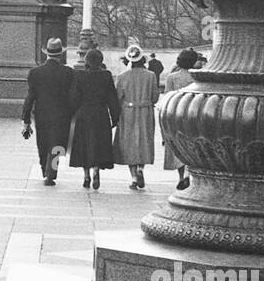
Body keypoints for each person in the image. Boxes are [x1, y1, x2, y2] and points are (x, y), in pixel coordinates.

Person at [22, 37, 75, 186]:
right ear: (61, 54)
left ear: (47, 54)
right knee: (57, 143)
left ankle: (44, 170)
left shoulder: (35, 72)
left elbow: (30, 97)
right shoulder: (68, 72)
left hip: (42, 114)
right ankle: (51, 172)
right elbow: (73, 96)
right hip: (62, 114)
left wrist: (25, 119)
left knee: (43, 142)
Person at [68, 48, 118, 190]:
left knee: (84, 144)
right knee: (99, 143)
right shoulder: (106, 76)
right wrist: (115, 117)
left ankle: (86, 175)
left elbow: (74, 98)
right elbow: (112, 98)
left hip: (84, 114)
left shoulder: (79, 76)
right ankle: (96, 169)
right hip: (101, 113)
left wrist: (72, 114)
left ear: (87, 61)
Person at [114, 45, 160, 190]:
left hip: (128, 111)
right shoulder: (151, 75)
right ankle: (141, 168)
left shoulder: (122, 77)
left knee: (129, 143)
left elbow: (117, 97)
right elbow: (155, 97)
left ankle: (134, 177)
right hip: (145, 111)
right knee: (145, 140)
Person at [163, 48, 198, 190]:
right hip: (193, 114)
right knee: (191, 144)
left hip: (176, 114)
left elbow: (166, 97)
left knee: (178, 144)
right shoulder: (197, 77)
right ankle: (189, 174)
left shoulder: (172, 77)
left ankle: (181, 175)